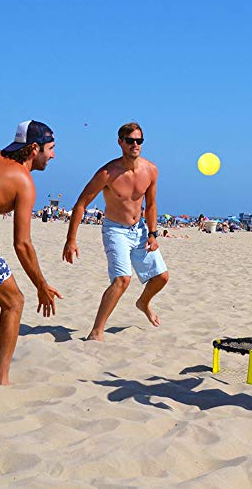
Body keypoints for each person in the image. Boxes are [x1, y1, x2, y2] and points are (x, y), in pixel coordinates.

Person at [62, 122, 169, 341]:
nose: (135, 145)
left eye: (139, 141)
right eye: (130, 141)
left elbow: (150, 205)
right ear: (120, 142)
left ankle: (143, 303)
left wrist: (153, 233)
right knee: (122, 279)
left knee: (162, 277)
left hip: (139, 230)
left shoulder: (151, 170)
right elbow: (81, 204)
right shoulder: (107, 173)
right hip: (115, 230)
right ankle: (96, 332)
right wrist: (71, 239)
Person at [0, 120, 62, 384]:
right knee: (13, 302)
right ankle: (1, 379)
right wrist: (41, 285)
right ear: (34, 149)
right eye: (50, 149)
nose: (53, 155)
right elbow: (22, 244)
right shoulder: (24, 181)